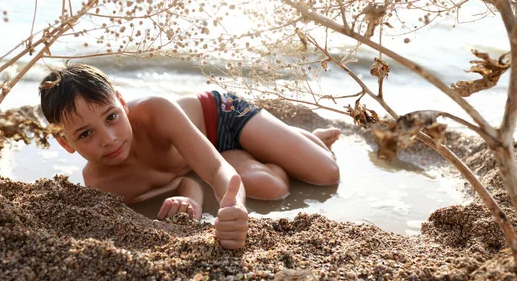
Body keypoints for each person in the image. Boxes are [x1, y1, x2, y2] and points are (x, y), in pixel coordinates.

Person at [39, 64, 340, 249]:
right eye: (86, 134)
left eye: (112, 117)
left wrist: (234, 207)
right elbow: (184, 182)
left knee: (326, 174)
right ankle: (269, 150)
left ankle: (301, 136)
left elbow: (215, 169)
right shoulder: (102, 183)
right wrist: (192, 198)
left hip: (222, 117)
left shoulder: (157, 109)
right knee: (272, 188)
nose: (110, 138)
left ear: (122, 102)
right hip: (211, 155)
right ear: (65, 142)